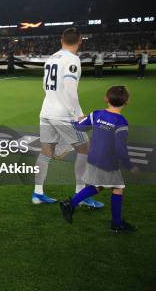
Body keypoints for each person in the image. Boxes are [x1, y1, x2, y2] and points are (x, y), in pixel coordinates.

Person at [33, 28, 104, 208]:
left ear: (61, 40)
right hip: (63, 114)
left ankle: (37, 193)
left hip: (46, 111)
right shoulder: (72, 59)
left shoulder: (51, 58)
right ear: (80, 40)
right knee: (85, 149)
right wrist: (78, 114)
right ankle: (81, 195)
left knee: (45, 153)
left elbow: (44, 85)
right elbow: (70, 89)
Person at [59, 86, 139, 232]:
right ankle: (116, 224)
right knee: (118, 187)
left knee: (99, 185)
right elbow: (120, 148)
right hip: (107, 162)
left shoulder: (96, 114)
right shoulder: (121, 122)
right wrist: (129, 165)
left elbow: (79, 128)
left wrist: (76, 121)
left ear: (106, 99)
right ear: (127, 102)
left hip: (94, 157)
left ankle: (71, 204)